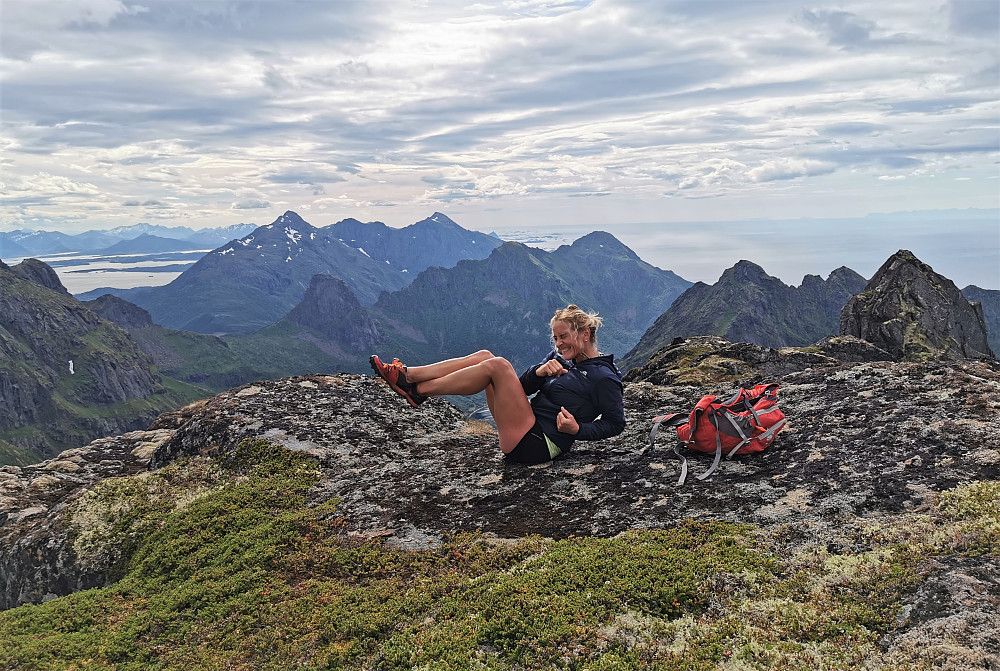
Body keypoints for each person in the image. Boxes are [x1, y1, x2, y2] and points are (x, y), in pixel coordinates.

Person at [370, 304, 626, 464]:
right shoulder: (560, 359)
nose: (558, 344)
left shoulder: (603, 377)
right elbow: (522, 388)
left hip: (539, 444)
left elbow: (616, 424)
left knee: (499, 365)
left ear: (585, 334)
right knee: (486, 357)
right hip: (524, 424)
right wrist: (539, 371)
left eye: (564, 337)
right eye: (556, 338)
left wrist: (577, 429)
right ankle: (411, 376)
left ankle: (417, 388)